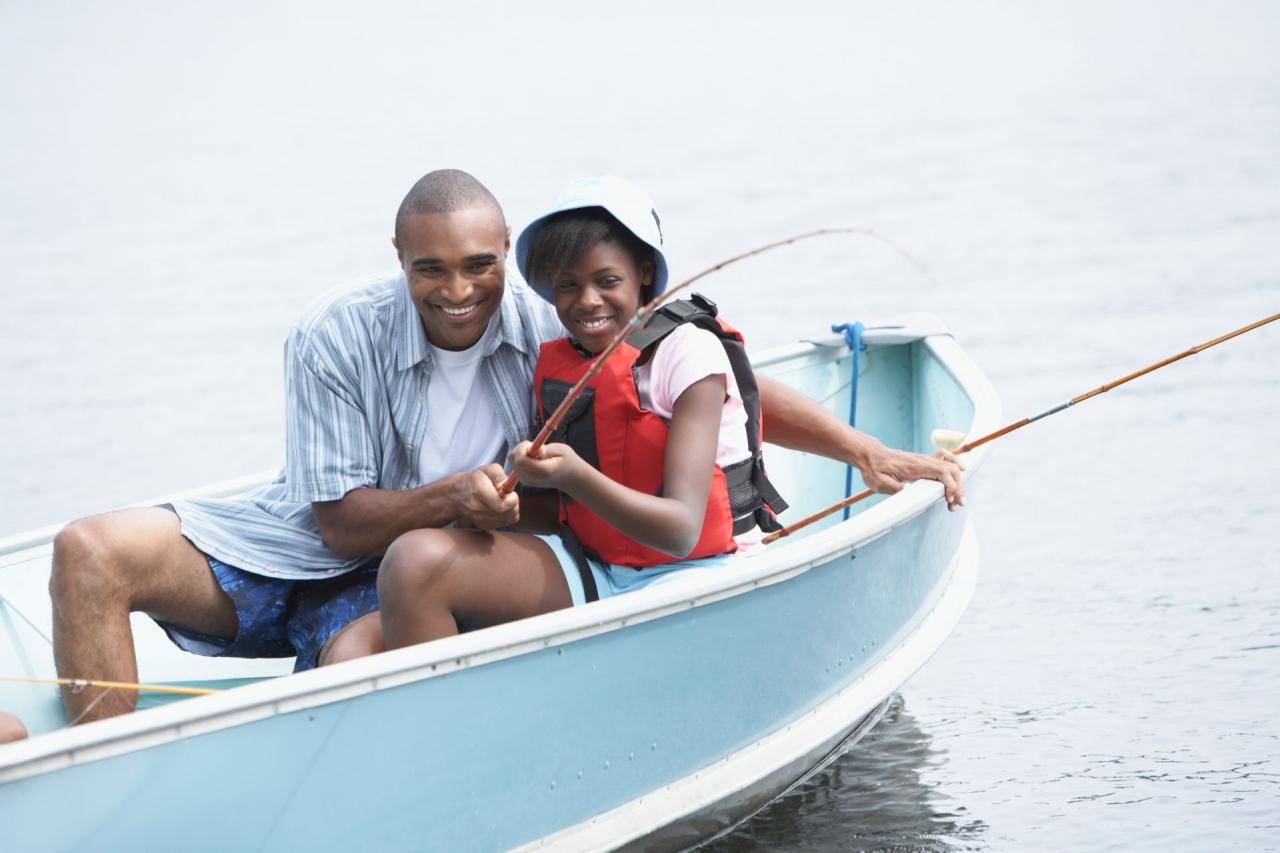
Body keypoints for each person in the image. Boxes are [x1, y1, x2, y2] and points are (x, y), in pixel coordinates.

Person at [45, 169, 963, 726]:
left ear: (506, 258)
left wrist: (863, 447)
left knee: (360, 662)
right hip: (306, 545)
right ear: (397, 259)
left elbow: (720, 384)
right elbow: (331, 526)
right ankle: (97, 774)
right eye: (431, 268)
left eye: (480, 265)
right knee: (89, 549)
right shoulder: (331, 332)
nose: (459, 290)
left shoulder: (552, 323)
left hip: (412, 573)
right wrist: (457, 495)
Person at [376, 177, 963, 648]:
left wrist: (867, 451)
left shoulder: (687, 353)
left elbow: (683, 531)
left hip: (698, 576)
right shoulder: (558, 350)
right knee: (416, 561)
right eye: (567, 286)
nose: (587, 302)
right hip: (597, 567)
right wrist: (505, 504)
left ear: (647, 277)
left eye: (608, 281)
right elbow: (558, 511)